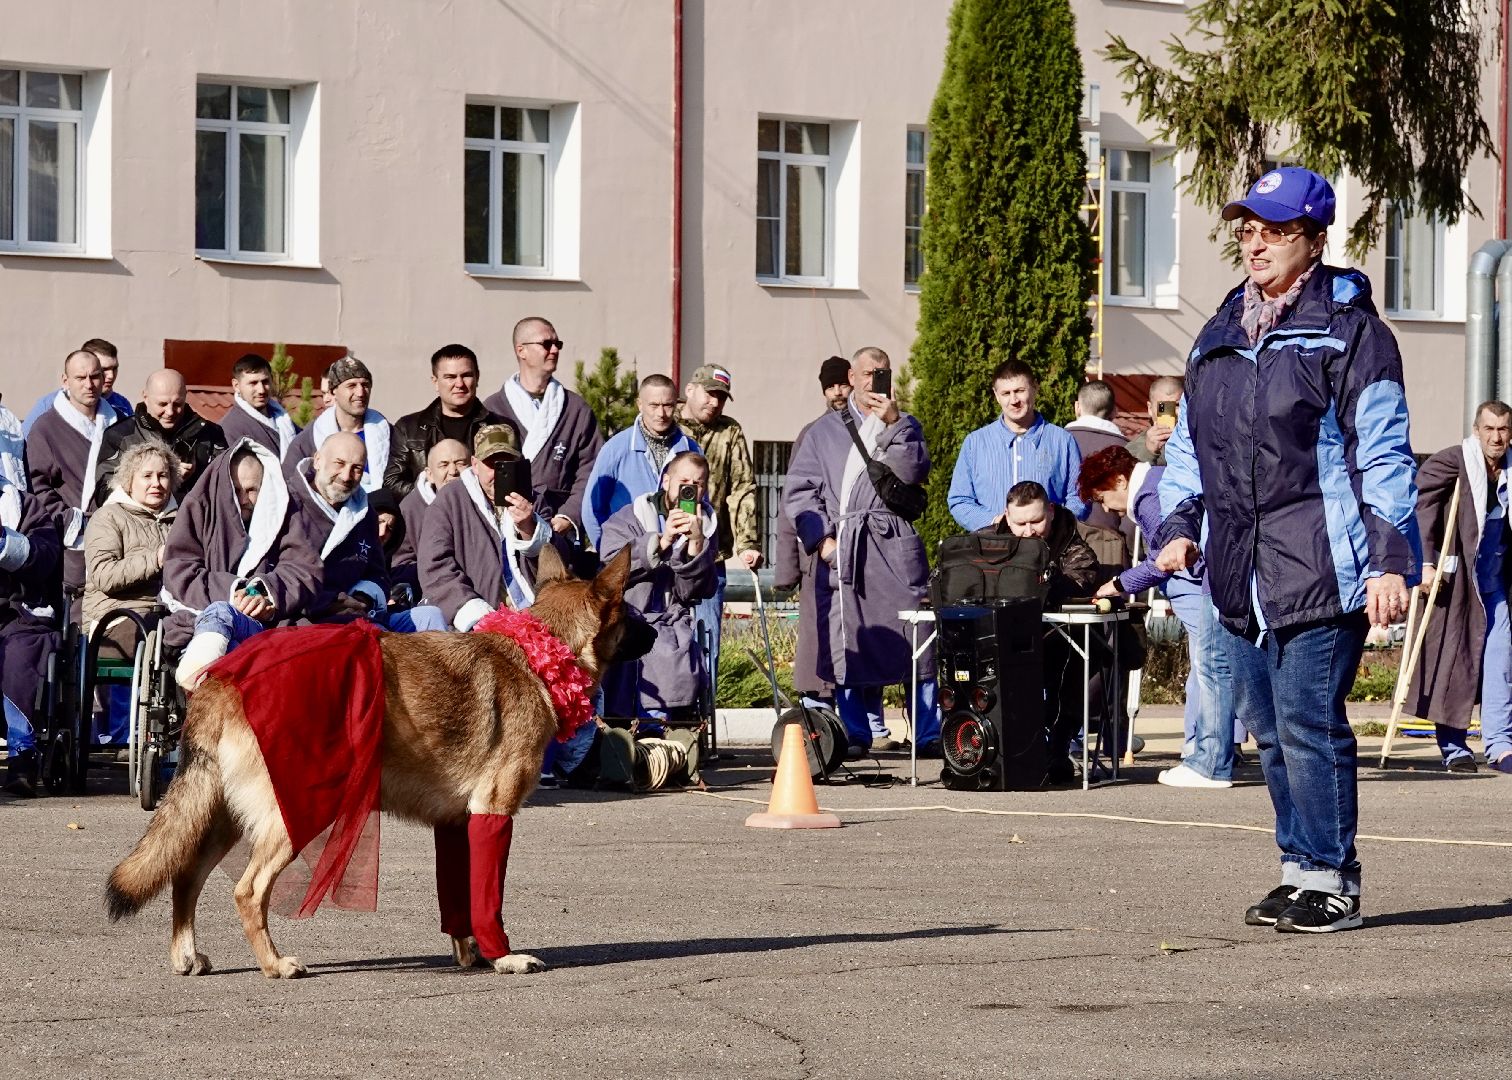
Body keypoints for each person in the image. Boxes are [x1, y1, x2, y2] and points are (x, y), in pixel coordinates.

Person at [1154, 166, 1418, 933]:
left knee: (1309, 725)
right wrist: (1178, 525)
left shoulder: (1351, 333)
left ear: (1314, 239)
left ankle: (1335, 880)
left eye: (1274, 231)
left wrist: (1390, 559)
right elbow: (1191, 448)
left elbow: (1383, 451)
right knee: (1268, 732)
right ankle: (1299, 869)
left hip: (1321, 565)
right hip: (1239, 571)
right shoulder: (1219, 332)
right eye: (1248, 230)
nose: (1256, 244)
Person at [783, 346, 939, 757]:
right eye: (868, 373)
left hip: (893, 544)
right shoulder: (822, 432)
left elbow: (913, 472)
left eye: (883, 373)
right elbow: (799, 494)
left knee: (917, 635)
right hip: (846, 548)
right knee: (847, 638)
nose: (875, 381)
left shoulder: (905, 423)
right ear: (852, 377)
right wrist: (823, 543)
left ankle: (927, 732)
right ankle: (856, 732)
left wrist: (894, 425)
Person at [1080, 444, 1237, 789]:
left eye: (1102, 497)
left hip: (1206, 585)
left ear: (1119, 480)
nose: (1106, 508)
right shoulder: (1160, 480)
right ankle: (1208, 752)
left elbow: (1162, 561)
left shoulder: (1149, 498)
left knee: (1209, 668)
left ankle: (1207, 760)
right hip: (1214, 580)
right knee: (1211, 668)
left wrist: (1118, 584)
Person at [1407, 401, 1512, 772]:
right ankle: (1454, 748)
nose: (1496, 437)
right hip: (1459, 581)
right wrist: (1425, 562)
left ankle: (1499, 746)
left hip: (1495, 584)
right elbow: (1421, 503)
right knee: (1455, 660)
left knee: (1501, 659)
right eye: (1489, 429)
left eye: (1503, 429)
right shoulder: (1454, 461)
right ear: (1476, 430)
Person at [161, 440, 323, 665]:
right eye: (236, 491)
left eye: (252, 490)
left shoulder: (285, 515)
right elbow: (179, 570)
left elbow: (303, 568)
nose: (244, 499)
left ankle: (203, 673)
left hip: (266, 625)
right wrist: (234, 591)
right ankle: (201, 674)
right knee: (225, 633)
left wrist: (264, 594)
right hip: (203, 618)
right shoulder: (198, 507)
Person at [982, 481, 1100, 782]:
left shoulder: (1071, 542)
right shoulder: (987, 541)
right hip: (1003, 640)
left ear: (1051, 511)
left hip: (1058, 640)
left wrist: (1046, 580)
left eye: (1036, 521)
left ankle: (1058, 746)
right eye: (1020, 523)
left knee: (1078, 658)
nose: (1029, 531)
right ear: (1006, 516)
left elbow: (1083, 578)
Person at [598, 451, 718, 724]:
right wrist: (661, 542)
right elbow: (610, 565)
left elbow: (695, 592)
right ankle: (627, 730)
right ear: (666, 481)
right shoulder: (630, 517)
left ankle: (657, 727)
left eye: (698, 484)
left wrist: (695, 546)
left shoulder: (706, 526)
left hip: (670, 622)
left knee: (668, 652)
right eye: (684, 481)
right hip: (626, 615)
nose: (690, 489)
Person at [83, 440, 181, 746]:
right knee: (151, 634)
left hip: (168, 614)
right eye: (147, 476)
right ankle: (125, 732)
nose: (156, 483)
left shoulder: (182, 520)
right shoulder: (109, 517)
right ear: (129, 481)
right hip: (115, 618)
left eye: (163, 475)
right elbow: (104, 575)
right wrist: (156, 558)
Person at [677, 363, 761, 708]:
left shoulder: (730, 432)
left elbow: (742, 487)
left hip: (711, 556)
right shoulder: (669, 425)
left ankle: (703, 716)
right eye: (710, 394)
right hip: (666, 555)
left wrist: (748, 542)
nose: (715, 402)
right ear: (690, 390)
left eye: (722, 397)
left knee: (707, 640)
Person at [418, 424, 553, 631]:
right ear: (474, 464)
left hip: (535, 618)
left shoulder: (533, 499)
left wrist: (529, 529)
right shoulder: (449, 501)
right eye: (491, 464)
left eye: (507, 463)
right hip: (476, 625)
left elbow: (559, 560)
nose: (499, 472)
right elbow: (434, 566)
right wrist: (476, 614)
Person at [482, 318, 606, 544]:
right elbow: (482, 470)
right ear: (521, 350)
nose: (555, 350)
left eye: (558, 344)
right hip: (505, 523)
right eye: (546, 344)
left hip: (557, 524)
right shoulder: (493, 409)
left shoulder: (575, 409)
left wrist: (569, 515)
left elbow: (591, 468)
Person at [774, 356, 853, 707]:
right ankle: (819, 709)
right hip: (818, 551)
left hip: (861, 550)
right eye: (830, 386)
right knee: (818, 639)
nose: (837, 392)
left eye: (842, 384)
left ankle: (862, 715)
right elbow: (792, 502)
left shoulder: (870, 429)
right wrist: (786, 570)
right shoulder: (812, 434)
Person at [26, 349, 124, 598]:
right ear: (65, 380)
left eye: (95, 376)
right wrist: (71, 520)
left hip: (119, 538)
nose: (89, 385)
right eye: (80, 378)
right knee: (76, 612)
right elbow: (37, 486)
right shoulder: (46, 428)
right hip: (71, 544)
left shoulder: (122, 424)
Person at [948, 358, 1087, 531]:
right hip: (992, 544)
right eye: (1006, 393)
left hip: (1049, 545)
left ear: (1035, 388)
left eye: (1020, 391)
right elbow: (960, 500)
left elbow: (1080, 496)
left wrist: (1053, 525)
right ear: (996, 395)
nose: (1014, 400)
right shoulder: (975, 443)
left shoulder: (1062, 441)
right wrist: (995, 522)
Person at [583, 374, 700, 552]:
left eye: (668, 405)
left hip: (678, 560)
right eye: (654, 405)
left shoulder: (691, 449)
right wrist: (608, 553)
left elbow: (703, 505)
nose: (661, 413)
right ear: (640, 404)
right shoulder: (615, 449)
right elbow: (591, 510)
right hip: (631, 559)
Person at [0, 472, 62, 797]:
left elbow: (46, 557)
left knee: (19, 656)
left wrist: (4, 542)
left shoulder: (25, 506)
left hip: (20, 615)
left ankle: (22, 755)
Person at [384, 344, 504, 497]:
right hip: (427, 511)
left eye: (466, 375)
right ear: (435, 382)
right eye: (450, 377)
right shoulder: (409, 428)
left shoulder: (499, 427)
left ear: (477, 377)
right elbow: (391, 482)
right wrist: (437, 496)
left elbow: (512, 479)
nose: (459, 384)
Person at [93, 369, 226, 504]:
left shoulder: (210, 433)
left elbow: (227, 486)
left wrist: (198, 478)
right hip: (138, 517)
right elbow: (104, 493)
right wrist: (167, 478)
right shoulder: (120, 435)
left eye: (177, 404)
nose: (170, 412)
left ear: (185, 396)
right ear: (145, 397)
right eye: (162, 404)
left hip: (197, 515)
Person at [284, 356, 391, 492]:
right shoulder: (308, 440)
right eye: (351, 385)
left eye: (365, 385)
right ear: (333, 391)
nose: (360, 393)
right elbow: (289, 486)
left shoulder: (388, 435)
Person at [1066, 380, 1133, 579]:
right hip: (1111, 551)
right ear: (1114, 411)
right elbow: (1130, 514)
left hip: (1063, 546)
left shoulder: (1057, 441)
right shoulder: (1125, 449)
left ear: (1077, 407)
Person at [392, 438, 471, 589]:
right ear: (430, 474)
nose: (453, 471)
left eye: (460, 463)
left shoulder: (487, 502)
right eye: (444, 465)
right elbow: (401, 562)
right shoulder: (410, 508)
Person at [22, 338, 131, 436]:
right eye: (104, 369)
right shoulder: (49, 404)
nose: (111, 375)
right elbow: (26, 442)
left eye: (114, 368)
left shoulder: (122, 404)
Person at [219, 353, 300, 459]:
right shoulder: (230, 428)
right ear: (236, 386)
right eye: (253, 383)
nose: (261, 390)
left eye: (265, 382)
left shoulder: (284, 420)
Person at [1129, 375, 1185, 466]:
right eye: (1163, 407)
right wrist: (1149, 452)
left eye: (1177, 405)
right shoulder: (1135, 447)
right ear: (1150, 409)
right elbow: (1131, 473)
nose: (1171, 413)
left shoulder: (1196, 439)